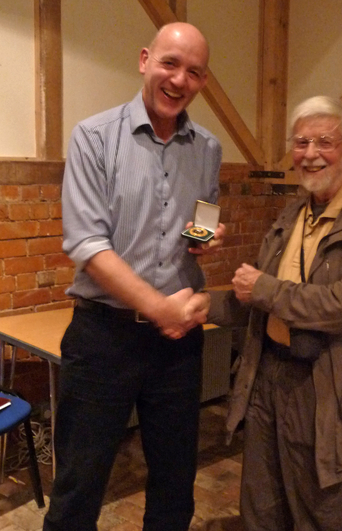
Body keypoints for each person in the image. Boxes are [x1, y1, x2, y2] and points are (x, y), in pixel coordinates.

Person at [43, 22, 224, 531]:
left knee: (174, 484)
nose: (179, 79)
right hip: (104, 338)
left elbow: (203, 217)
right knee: (79, 485)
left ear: (202, 82)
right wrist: (158, 306)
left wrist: (205, 236)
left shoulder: (208, 147)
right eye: (170, 63)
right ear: (145, 60)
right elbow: (87, 243)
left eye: (193, 71)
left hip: (178, 345)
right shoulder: (93, 137)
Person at [206, 96, 342, 531]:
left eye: (324, 142)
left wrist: (263, 287)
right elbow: (260, 302)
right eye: (301, 143)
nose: (310, 154)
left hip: (325, 382)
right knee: (262, 501)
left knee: (321, 508)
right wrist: (194, 304)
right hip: (268, 372)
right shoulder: (293, 212)